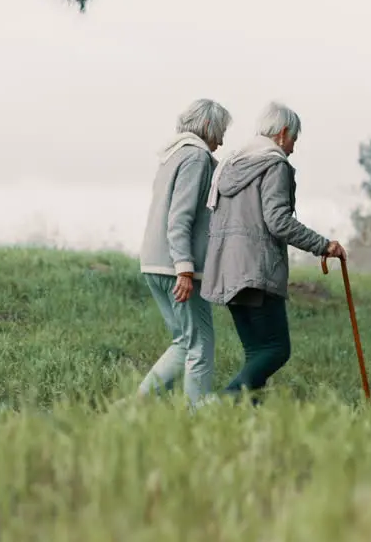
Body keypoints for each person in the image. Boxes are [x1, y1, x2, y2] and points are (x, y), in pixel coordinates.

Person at [201, 101, 346, 404]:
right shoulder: (274, 164)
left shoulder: (231, 163)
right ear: (282, 133)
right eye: (293, 138)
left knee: (257, 353)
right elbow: (278, 220)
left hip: (225, 270)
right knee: (276, 350)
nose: (292, 147)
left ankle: (246, 424)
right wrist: (323, 245)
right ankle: (219, 405)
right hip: (256, 269)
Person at [136, 98, 233, 409]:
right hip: (174, 265)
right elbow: (180, 217)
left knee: (183, 342)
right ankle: (196, 415)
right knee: (200, 346)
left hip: (154, 262)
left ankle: (135, 408)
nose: (222, 140)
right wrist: (185, 269)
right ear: (207, 126)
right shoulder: (195, 157)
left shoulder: (171, 156)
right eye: (220, 131)